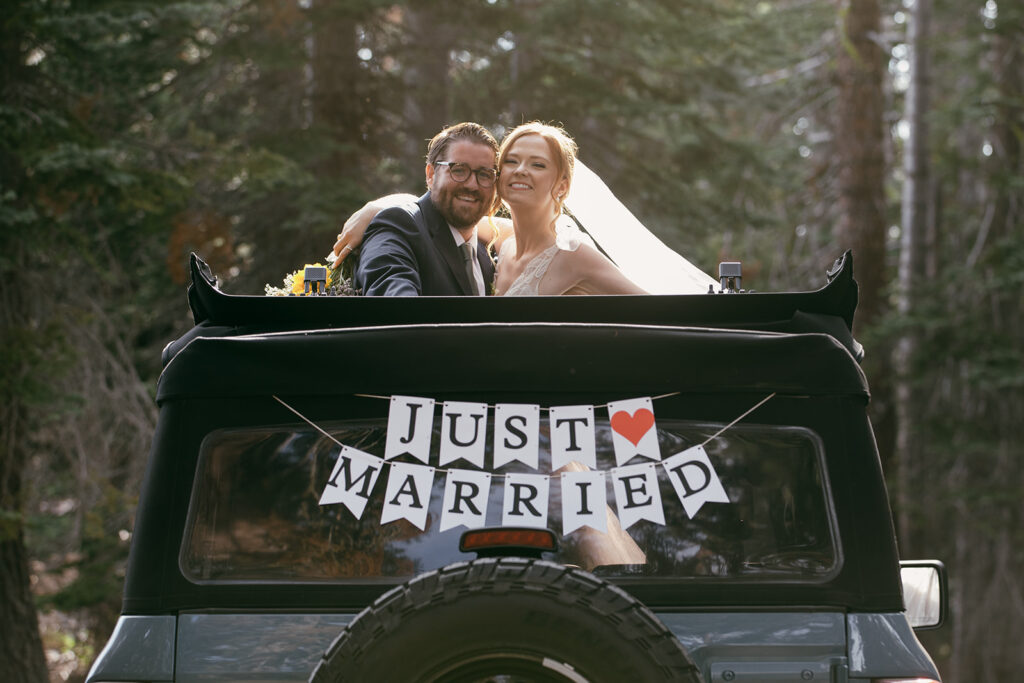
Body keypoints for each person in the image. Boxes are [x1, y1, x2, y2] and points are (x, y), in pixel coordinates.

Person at [334, 122, 647, 296]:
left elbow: (657, 311)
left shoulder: (572, 252)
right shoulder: (501, 239)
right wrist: (379, 206)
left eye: (537, 164)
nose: (521, 170)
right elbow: (426, 212)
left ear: (562, 186)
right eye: (511, 161)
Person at [346, 122, 499, 296]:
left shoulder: (485, 257)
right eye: (459, 170)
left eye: (485, 174)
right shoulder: (398, 226)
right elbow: (394, 300)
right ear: (431, 175)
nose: (472, 185)